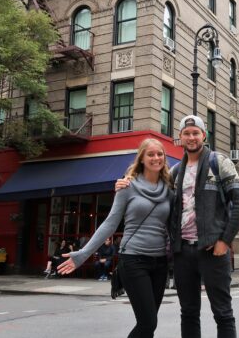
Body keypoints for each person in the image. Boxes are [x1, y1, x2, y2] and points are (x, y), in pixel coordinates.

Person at [117, 115, 239, 338]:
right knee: (188, 313)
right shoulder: (176, 172)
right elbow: (151, 186)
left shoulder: (219, 162)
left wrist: (224, 241)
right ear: (180, 137)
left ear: (204, 136)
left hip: (212, 251)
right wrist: (125, 181)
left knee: (223, 313)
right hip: (183, 254)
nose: (191, 137)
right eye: (186, 133)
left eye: (195, 132)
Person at [58, 138, 173, 338]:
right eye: (151, 154)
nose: (156, 158)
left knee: (149, 325)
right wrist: (84, 254)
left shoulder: (169, 189)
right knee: (148, 323)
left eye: (160, 154)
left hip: (160, 263)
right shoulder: (127, 186)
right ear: (142, 159)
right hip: (134, 260)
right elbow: (110, 223)